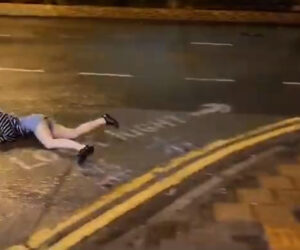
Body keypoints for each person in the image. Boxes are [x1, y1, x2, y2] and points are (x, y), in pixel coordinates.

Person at [0, 111, 119, 164]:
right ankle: (103, 120)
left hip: (34, 124)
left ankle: (82, 148)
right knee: (73, 133)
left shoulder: (1, 118)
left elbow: (10, 135)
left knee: (49, 143)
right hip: (37, 119)